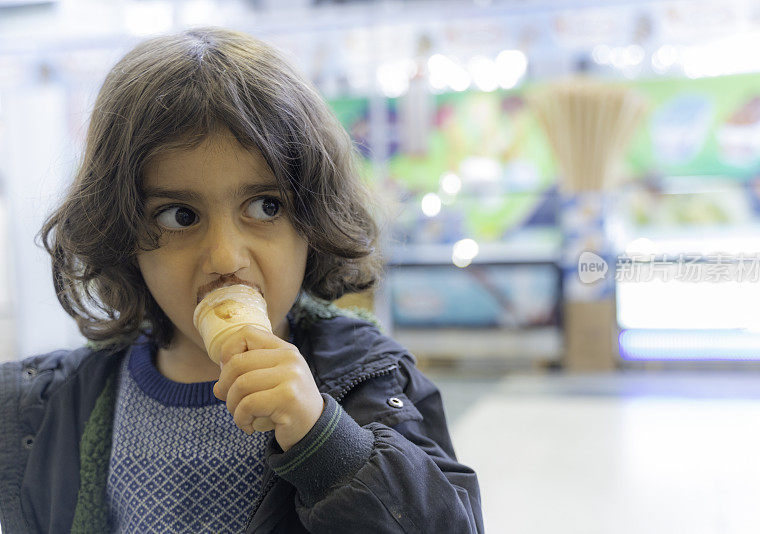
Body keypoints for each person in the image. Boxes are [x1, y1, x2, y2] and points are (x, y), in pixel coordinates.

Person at [0, 27, 483, 533]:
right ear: (122, 233)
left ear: (312, 221)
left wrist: (325, 440)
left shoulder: (369, 382)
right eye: (179, 216)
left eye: (265, 206)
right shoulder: (63, 409)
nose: (225, 257)